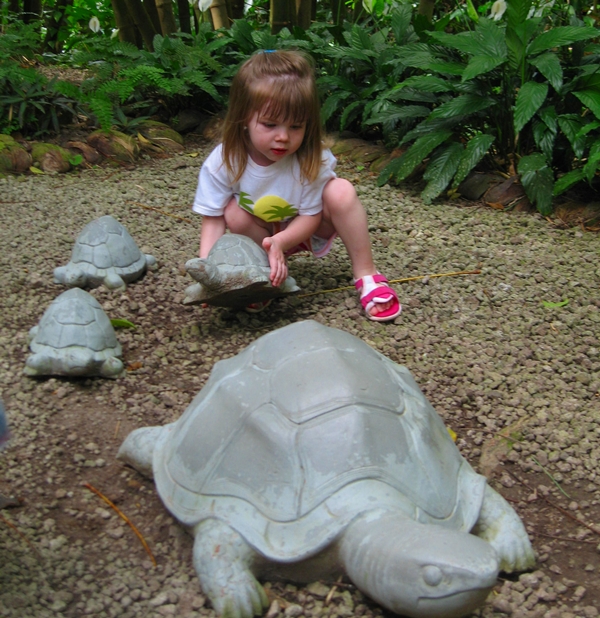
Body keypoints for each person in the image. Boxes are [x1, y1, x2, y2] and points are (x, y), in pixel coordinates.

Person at [192, 49, 401, 322]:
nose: (283, 137)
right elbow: (213, 220)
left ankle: (367, 275)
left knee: (341, 191)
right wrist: (210, 273)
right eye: (269, 124)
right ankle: (263, 275)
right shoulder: (224, 161)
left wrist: (280, 242)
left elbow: (311, 216)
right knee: (231, 211)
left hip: (306, 227)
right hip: (260, 233)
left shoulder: (310, 158)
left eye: (296, 126)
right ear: (244, 118)